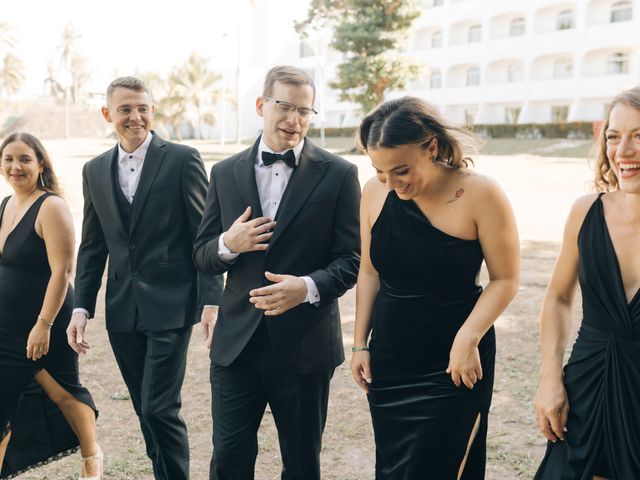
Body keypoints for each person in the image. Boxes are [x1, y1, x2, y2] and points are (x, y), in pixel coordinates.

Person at [193, 65, 361, 480]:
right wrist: (228, 245)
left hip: (305, 346)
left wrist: (305, 288)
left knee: (302, 464)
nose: (294, 120)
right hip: (237, 347)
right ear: (260, 105)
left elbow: (352, 261)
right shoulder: (224, 171)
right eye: (285, 107)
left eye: (305, 111)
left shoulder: (340, 174)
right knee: (228, 459)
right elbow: (201, 254)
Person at [351, 97, 520, 479]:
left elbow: (506, 279)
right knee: (395, 470)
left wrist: (467, 338)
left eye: (401, 171)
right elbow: (370, 272)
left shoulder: (481, 194)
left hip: (456, 362)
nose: (392, 184)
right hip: (391, 360)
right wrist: (360, 343)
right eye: (380, 172)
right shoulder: (373, 193)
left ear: (431, 147)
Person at [66, 76, 223, 480]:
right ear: (107, 114)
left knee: (159, 407)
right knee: (143, 409)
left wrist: (211, 300)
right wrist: (81, 306)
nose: (135, 117)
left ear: (152, 111)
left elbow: (202, 235)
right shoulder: (94, 170)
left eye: (142, 108)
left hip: (171, 304)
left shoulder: (182, 159)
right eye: (125, 109)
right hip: (121, 309)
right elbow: (93, 246)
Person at [534, 87, 640, 479]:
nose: (623, 151)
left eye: (639, 136)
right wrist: (550, 379)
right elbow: (559, 298)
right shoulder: (586, 212)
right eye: (614, 136)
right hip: (586, 385)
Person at [0, 133, 101, 479]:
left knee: (63, 393)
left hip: (44, 320)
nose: (16, 167)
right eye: (9, 159)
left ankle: (92, 460)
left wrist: (43, 325)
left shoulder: (51, 206)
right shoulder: (5, 205)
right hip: (6, 326)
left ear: (40, 163)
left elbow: (63, 270)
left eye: (25, 159)